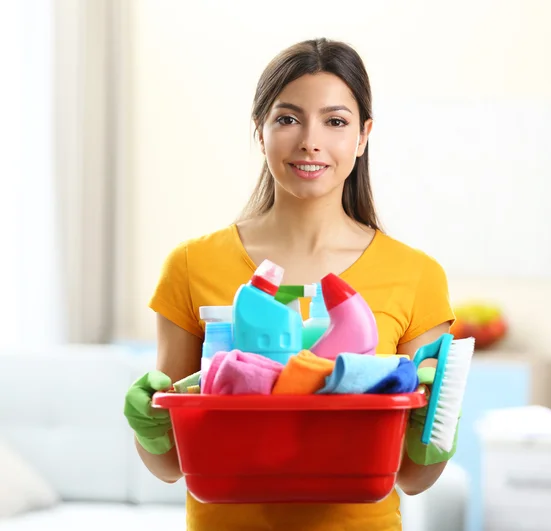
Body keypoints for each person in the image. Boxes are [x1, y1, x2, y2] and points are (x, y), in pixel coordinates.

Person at [124, 37, 458, 531]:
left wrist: (431, 428)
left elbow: (413, 476)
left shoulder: (415, 275)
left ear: (363, 136)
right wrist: (150, 429)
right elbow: (171, 465)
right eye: (287, 118)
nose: (310, 140)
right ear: (260, 132)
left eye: (336, 121)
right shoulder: (192, 266)